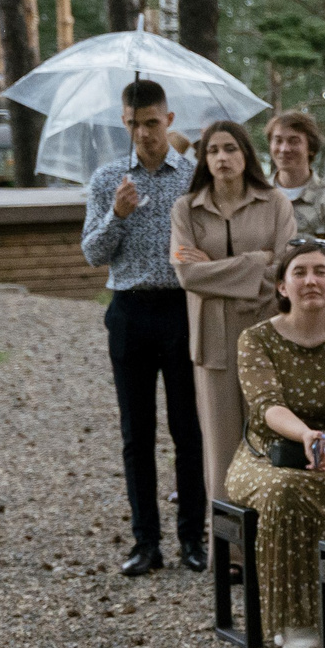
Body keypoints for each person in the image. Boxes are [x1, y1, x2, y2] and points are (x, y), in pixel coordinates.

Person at [80, 78, 207, 577]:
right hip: (130, 311)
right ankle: (145, 542)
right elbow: (92, 253)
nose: (144, 134)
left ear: (169, 120)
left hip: (180, 310)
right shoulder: (110, 179)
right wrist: (116, 214)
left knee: (187, 431)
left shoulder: (192, 178)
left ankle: (192, 540)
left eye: (152, 123)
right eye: (134, 124)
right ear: (124, 122)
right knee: (136, 433)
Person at [224, 238, 325, 648]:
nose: (311, 280)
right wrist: (306, 435)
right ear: (282, 287)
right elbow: (266, 404)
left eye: (321, 272)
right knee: (286, 491)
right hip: (266, 455)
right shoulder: (255, 340)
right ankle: (295, 619)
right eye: (300, 272)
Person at [171, 118, 295, 511]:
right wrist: (257, 263)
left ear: (246, 155)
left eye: (230, 149)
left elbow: (287, 265)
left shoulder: (275, 202)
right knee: (222, 449)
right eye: (212, 150)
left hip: (269, 335)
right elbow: (188, 273)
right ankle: (229, 558)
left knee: (272, 440)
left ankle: (274, 548)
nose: (222, 158)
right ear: (203, 159)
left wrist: (222, 272)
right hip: (213, 343)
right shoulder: (186, 209)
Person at [266, 109, 325, 250]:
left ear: (311, 148)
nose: (284, 149)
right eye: (278, 141)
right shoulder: (255, 196)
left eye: (294, 141)